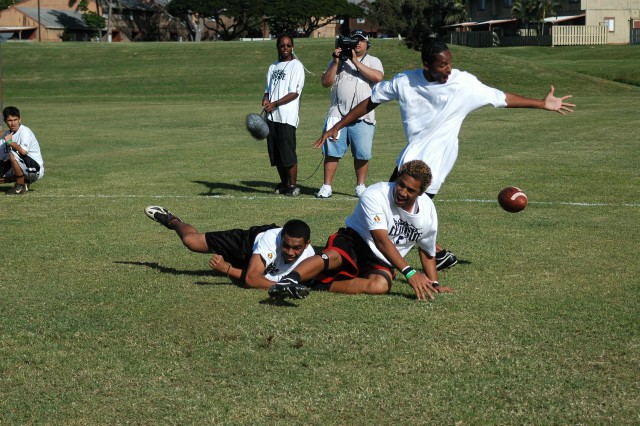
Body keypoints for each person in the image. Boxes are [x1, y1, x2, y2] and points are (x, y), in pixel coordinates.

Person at [314, 39, 576, 270]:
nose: (448, 68)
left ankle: (404, 255)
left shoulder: (463, 84)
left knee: (405, 213)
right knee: (400, 212)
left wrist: (542, 103)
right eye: (442, 65)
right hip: (411, 159)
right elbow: (370, 101)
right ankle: (414, 253)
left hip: (436, 164)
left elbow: (501, 98)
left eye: (450, 62)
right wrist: (338, 125)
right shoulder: (405, 81)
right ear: (427, 65)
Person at [268, 160, 454, 302]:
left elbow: (427, 250)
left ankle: (317, 284)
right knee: (331, 256)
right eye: (401, 184)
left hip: (383, 258)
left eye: (411, 190)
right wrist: (410, 273)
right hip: (355, 241)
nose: (403, 192)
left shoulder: (427, 211)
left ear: (421, 193)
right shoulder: (375, 194)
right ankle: (289, 280)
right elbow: (380, 240)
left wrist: (434, 284)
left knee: (380, 285)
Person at [144, 206, 315, 290]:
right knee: (190, 241)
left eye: (296, 248)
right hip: (247, 244)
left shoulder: (310, 258)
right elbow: (252, 278)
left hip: (256, 264)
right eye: (285, 245)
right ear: (281, 238)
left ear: (306, 245)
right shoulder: (271, 238)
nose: (290, 252)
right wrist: (281, 288)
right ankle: (172, 220)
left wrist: (225, 268)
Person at [316, 30, 384, 199]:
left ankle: (360, 186)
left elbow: (378, 78)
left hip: (363, 115)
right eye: (355, 40)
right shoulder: (338, 60)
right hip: (337, 112)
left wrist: (355, 61)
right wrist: (336, 61)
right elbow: (326, 82)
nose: (358, 43)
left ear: (367, 44)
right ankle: (326, 186)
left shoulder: (373, 61)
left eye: (361, 41)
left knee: (362, 152)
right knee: (332, 151)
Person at [262, 34, 305, 197]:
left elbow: (294, 93)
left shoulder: (296, 66)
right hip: (271, 117)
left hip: (287, 116)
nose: (285, 48)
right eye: (282, 45)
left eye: (288, 45)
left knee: (288, 153)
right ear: (277, 47)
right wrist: (266, 99)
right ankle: (284, 183)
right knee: (276, 153)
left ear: (292, 46)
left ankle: (293, 185)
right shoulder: (273, 66)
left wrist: (275, 104)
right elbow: (268, 88)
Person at [0, 106, 44, 195]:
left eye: (15, 120)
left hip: (34, 169)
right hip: (20, 166)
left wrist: (10, 142)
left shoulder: (25, 131)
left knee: (12, 154)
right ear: (5, 121)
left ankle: (20, 186)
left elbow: (23, 151)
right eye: (10, 120)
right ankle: (23, 181)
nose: (13, 123)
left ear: (19, 119)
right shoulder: (6, 135)